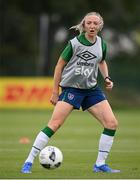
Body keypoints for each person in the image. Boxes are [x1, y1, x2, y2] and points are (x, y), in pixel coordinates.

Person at [21, 11, 120, 173]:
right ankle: (29, 161)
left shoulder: (102, 44)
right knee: (54, 124)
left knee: (111, 124)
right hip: (72, 89)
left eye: (95, 23)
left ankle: (100, 164)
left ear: (100, 26)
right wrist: (55, 91)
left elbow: (101, 61)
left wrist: (107, 78)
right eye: (89, 23)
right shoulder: (74, 43)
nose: (92, 26)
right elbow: (59, 66)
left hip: (91, 90)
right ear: (84, 25)